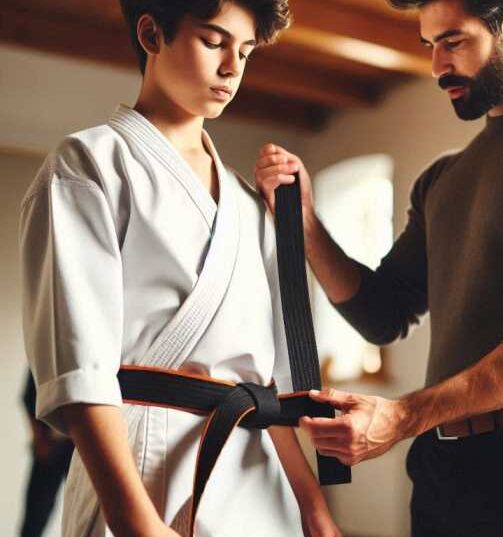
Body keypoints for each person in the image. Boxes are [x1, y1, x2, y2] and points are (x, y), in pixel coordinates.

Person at [254, 0, 503, 535]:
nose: (436, 67)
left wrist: (401, 417)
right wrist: (306, 222)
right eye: (429, 46)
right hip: (441, 469)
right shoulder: (442, 180)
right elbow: (383, 312)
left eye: (453, 41)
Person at [19, 1, 340, 536]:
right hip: (142, 473)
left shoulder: (247, 203)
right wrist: (134, 519)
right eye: (215, 41)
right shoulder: (89, 165)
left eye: (245, 51)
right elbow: (80, 376)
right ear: (151, 33)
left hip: (258, 485)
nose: (232, 67)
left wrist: (313, 509)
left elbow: (265, 387)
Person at [19, 369, 74, 537]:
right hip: (49, 446)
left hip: (76, 447)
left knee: (80, 508)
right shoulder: (43, 354)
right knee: (36, 514)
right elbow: (28, 398)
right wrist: (39, 439)